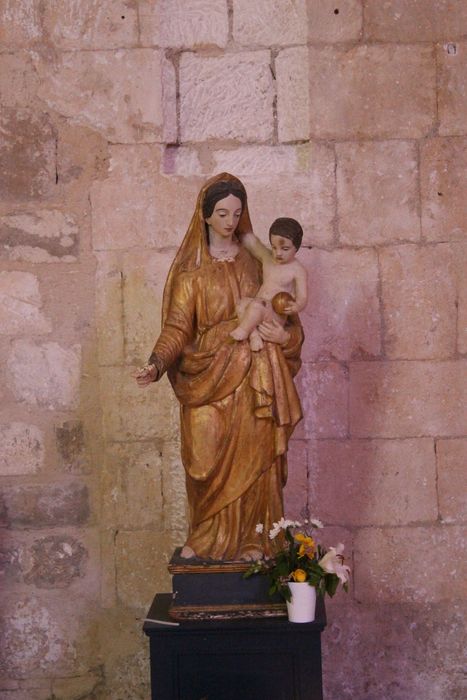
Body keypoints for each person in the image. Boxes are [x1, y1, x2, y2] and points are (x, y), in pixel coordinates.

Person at [135, 173, 303, 561]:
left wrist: (285, 338)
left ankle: (256, 540)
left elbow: (287, 318)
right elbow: (177, 328)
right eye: (222, 213)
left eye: (237, 212)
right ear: (206, 216)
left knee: (256, 459)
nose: (231, 220)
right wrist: (157, 363)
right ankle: (208, 536)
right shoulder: (191, 275)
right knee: (204, 459)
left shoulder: (259, 262)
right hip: (207, 376)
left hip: (254, 378)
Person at [230, 218, 307, 351]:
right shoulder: (268, 258)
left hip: (275, 314)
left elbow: (303, 296)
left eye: (285, 248)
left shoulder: (297, 270)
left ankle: (243, 331)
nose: (278, 253)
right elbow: (254, 245)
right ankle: (254, 336)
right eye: (274, 247)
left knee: (255, 306)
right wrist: (241, 232)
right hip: (259, 305)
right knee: (241, 304)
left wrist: (296, 306)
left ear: (296, 247)